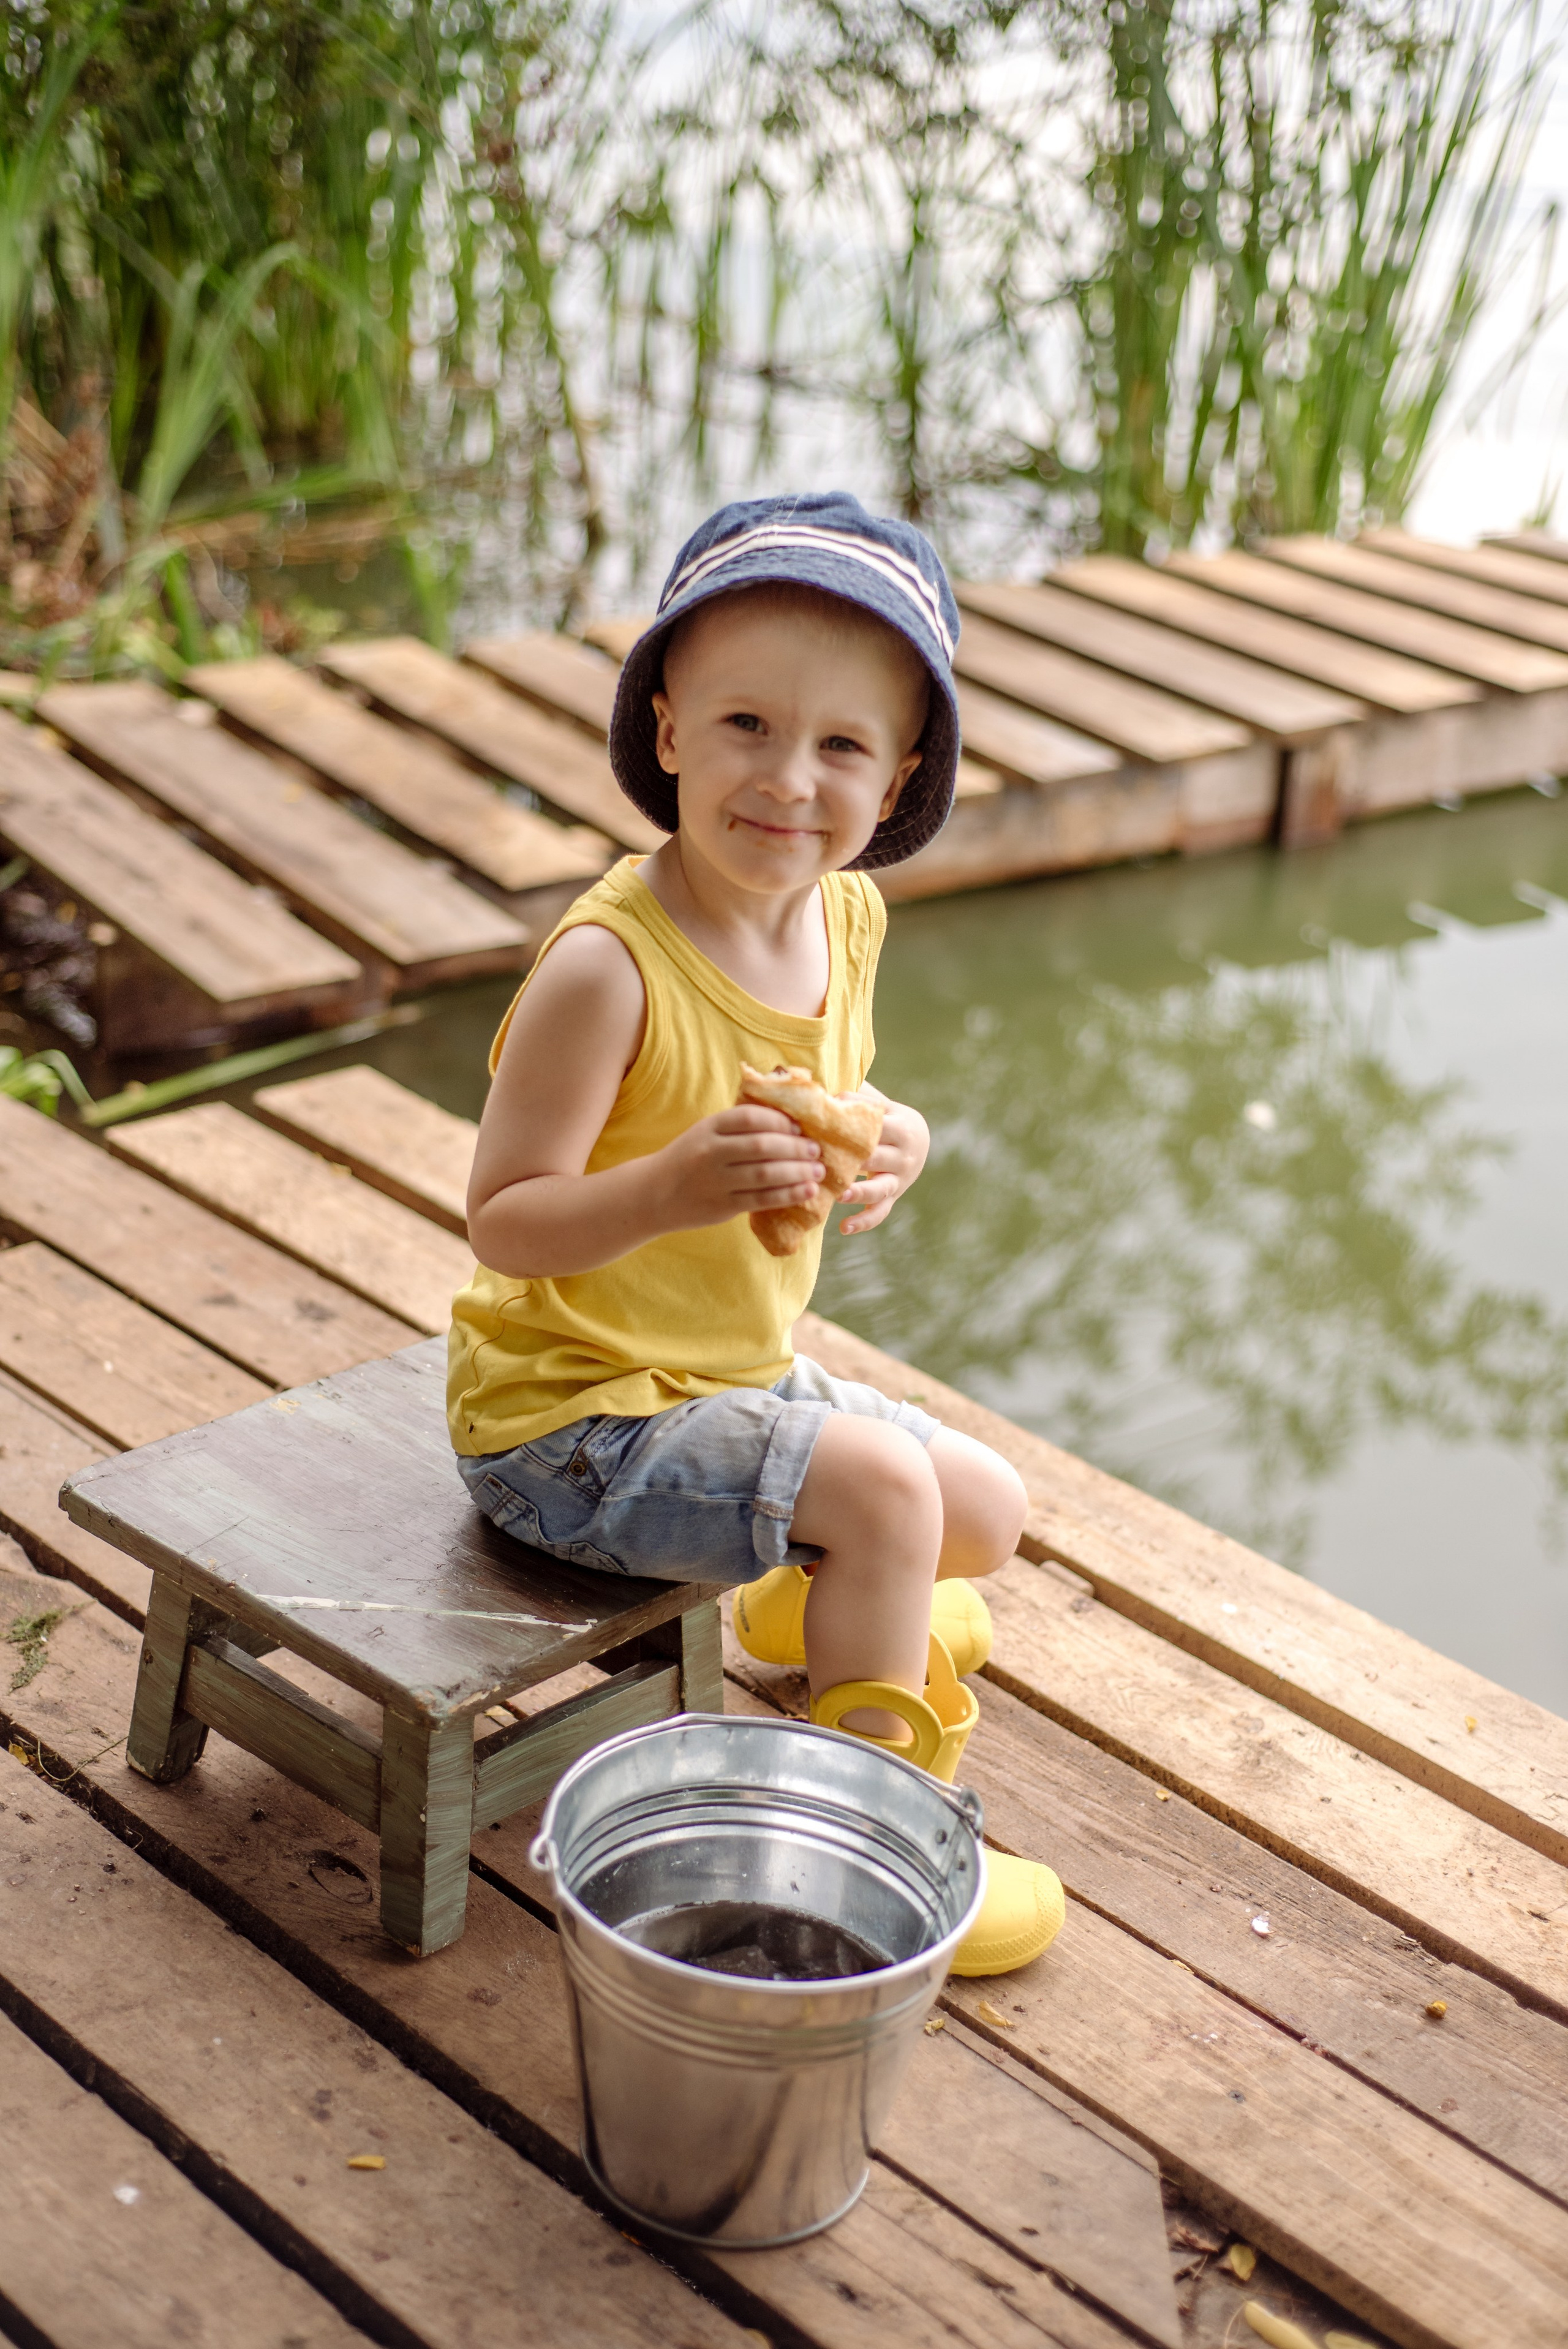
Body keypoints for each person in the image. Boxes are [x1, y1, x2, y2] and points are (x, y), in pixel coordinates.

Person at [449, 491, 1063, 1975]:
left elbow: (826, 1094)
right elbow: (504, 1220)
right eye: (744, 726)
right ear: (664, 732)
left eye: (842, 746)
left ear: (901, 774)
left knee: (982, 1508)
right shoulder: (611, 970)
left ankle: (806, 1589)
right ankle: (883, 1852)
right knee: (891, 1495)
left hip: (721, 1378)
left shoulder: (841, 917)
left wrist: (887, 1131)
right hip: (569, 1426)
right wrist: (670, 1185)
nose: (788, 781)